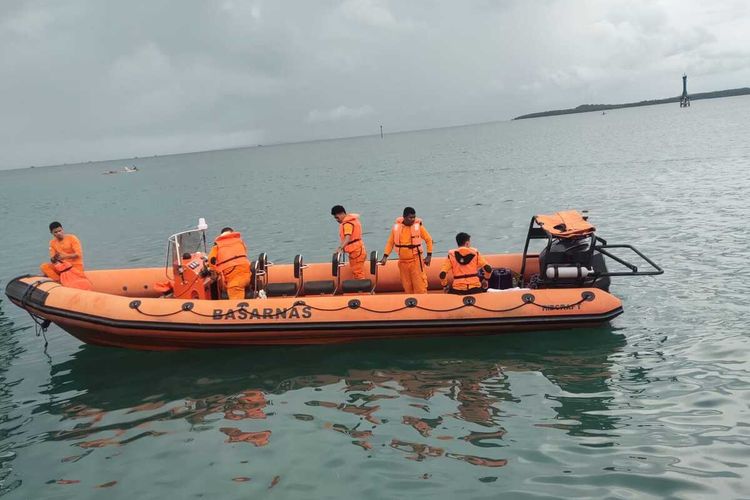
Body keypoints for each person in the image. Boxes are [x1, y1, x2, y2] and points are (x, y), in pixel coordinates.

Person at [380, 207, 433, 294]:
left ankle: (423, 302)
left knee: (420, 286)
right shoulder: (396, 228)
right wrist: (385, 256)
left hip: (416, 261)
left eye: (414, 217)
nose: (412, 219)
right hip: (403, 262)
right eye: (410, 217)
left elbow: (429, 240)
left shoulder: (418, 227)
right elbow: (390, 243)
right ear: (404, 217)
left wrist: (429, 256)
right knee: (407, 287)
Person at [208, 227, 251, 300]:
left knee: (236, 305)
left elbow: (211, 260)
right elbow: (244, 253)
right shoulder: (239, 241)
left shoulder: (217, 245)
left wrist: (213, 272)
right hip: (247, 275)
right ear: (232, 233)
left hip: (234, 281)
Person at [331, 205, 366, 279]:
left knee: (358, 273)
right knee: (356, 272)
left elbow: (347, 237)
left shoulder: (347, 224)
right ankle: (359, 288)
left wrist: (340, 248)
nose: (337, 220)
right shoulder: (352, 220)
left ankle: (361, 289)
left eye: (337, 217)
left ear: (342, 213)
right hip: (358, 250)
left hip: (356, 252)